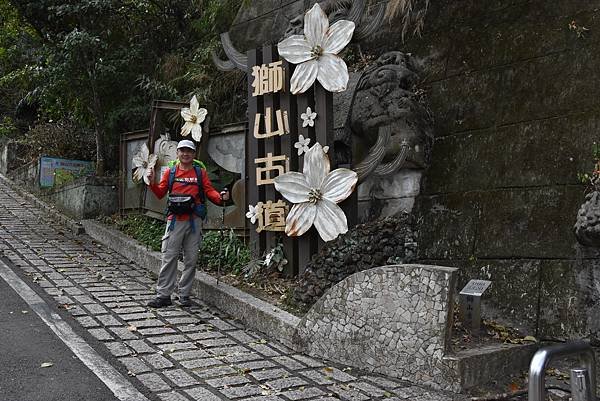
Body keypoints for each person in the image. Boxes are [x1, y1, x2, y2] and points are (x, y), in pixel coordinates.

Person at [146, 139, 229, 308]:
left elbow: (208, 190)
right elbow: (160, 193)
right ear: (178, 153)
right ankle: (163, 295)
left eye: (189, 151)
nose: (185, 154)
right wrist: (152, 182)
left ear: (193, 154)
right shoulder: (170, 172)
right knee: (169, 258)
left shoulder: (200, 173)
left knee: (191, 259)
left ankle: (184, 295)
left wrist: (220, 198)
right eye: (182, 151)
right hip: (175, 221)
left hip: (194, 222)